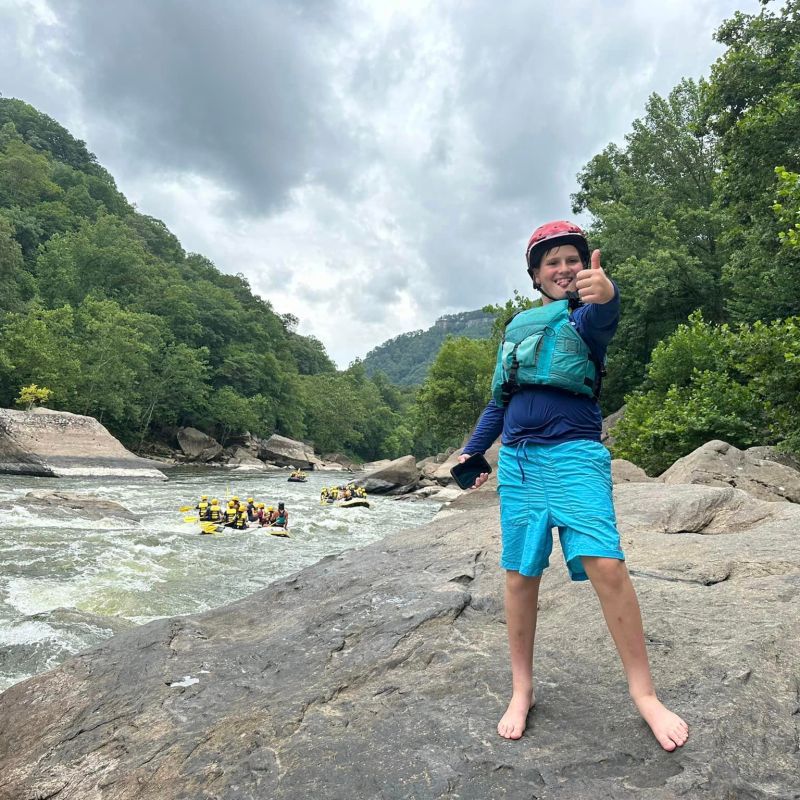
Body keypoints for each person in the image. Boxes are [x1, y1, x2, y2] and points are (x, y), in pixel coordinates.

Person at [460, 220, 688, 751]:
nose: (564, 269)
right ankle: (522, 689)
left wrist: (607, 292)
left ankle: (645, 695)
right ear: (536, 275)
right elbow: (501, 400)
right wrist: (473, 451)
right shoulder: (518, 329)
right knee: (520, 576)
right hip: (518, 465)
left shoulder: (587, 319)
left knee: (606, 564)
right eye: (551, 262)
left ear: (584, 267)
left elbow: (607, 310)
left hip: (575, 458)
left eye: (572, 260)